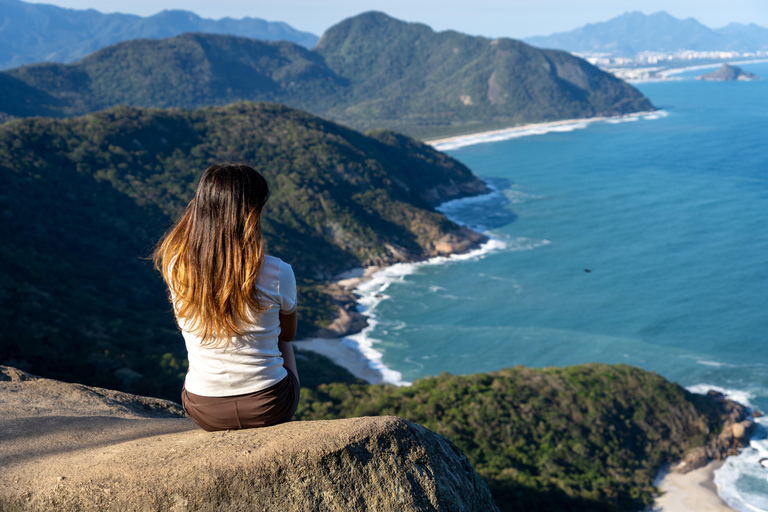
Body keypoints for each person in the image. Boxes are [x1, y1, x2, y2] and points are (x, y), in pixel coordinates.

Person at [153, 163, 299, 431]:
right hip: (270, 405)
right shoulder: (278, 272)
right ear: (252, 214)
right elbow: (287, 335)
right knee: (280, 337)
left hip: (203, 409)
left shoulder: (177, 266)